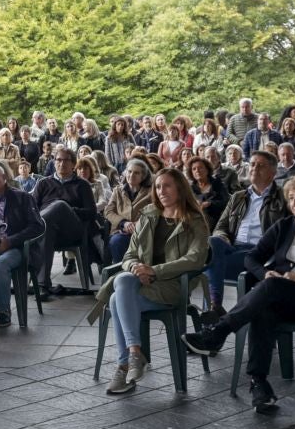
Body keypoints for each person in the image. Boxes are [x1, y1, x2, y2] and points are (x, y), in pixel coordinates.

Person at [184, 174, 295, 412]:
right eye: (291, 197)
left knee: (269, 291)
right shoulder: (285, 226)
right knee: (263, 307)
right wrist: (265, 272)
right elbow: (251, 257)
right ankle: (259, 384)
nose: (294, 202)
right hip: (280, 296)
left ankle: (218, 331)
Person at [90, 168, 209, 396]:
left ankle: (127, 363)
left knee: (117, 296)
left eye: (167, 186)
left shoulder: (194, 221)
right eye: (157, 186)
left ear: (180, 189)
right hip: (139, 283)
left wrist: (154, 271)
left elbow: (195, 259)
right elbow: (129, 255)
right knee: (122, 286)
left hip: (172, 287)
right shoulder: (149, 215)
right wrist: (136, 267)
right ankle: (133, 356)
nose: (161, 191)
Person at [204, 150, 288, 316]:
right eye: (252, 164)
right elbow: (221, 226)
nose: (254, 168)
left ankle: (214, 309)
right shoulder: (238, 197)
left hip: (260, 254)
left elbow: (288, 230)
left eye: (260, 165)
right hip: (234, 249)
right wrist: (222, 236)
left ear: (272, 174)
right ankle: (215, 306)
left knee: (210, 261)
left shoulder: (283, 198)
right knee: (212, 242)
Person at [0, 160, 43, 328]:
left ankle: (4, 311)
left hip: (16, 248)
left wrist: (11, 241)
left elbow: (37, 226)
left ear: (4, 177)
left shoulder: (22, 197)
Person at [32, 147, 99, 301]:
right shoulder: (43, 183)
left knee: (59, 206)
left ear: (73, 164)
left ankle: (43, 222)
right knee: (47, 226)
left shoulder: (82, 185)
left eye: (65, 160)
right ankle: (42, 285)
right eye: (58, 160)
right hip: (48, 232)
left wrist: (70, 210)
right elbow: (32, 209)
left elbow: (91, 212)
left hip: (72, 231)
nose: (61, 163)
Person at [103, 158, 155, 263]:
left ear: (143, 176)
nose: (131, 175)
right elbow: (108, 211)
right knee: (117, 241)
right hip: (121, 231)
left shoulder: (151, 192)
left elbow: (155, 211)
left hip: (143, 232)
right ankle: (121, 272)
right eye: (129, 171)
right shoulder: (118, 190)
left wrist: (139, 224)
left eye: (136, 173)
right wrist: (124, 223)